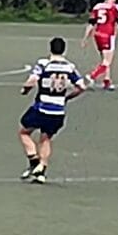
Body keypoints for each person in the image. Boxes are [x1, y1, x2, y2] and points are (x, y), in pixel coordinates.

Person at [18, 37, 88, 184]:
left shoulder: (44, 64)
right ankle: (41, 170)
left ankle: (34, 161)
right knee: (46, 138)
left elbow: (32, 80)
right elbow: (82, 86)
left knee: (24, 132)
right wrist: (67, 97)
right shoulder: (69, 67)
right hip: (58, 110)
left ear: (50, 48)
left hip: (42, 107)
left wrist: (25, 89)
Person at [82, 0, 118, 91]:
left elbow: (91, 23)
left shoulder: (97, 6)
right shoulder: (115, 7)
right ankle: (91, 77)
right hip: (108, 35)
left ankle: (107, 81)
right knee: (107, 61)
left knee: (104, 60)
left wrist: (85, 37)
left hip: (97, 35)